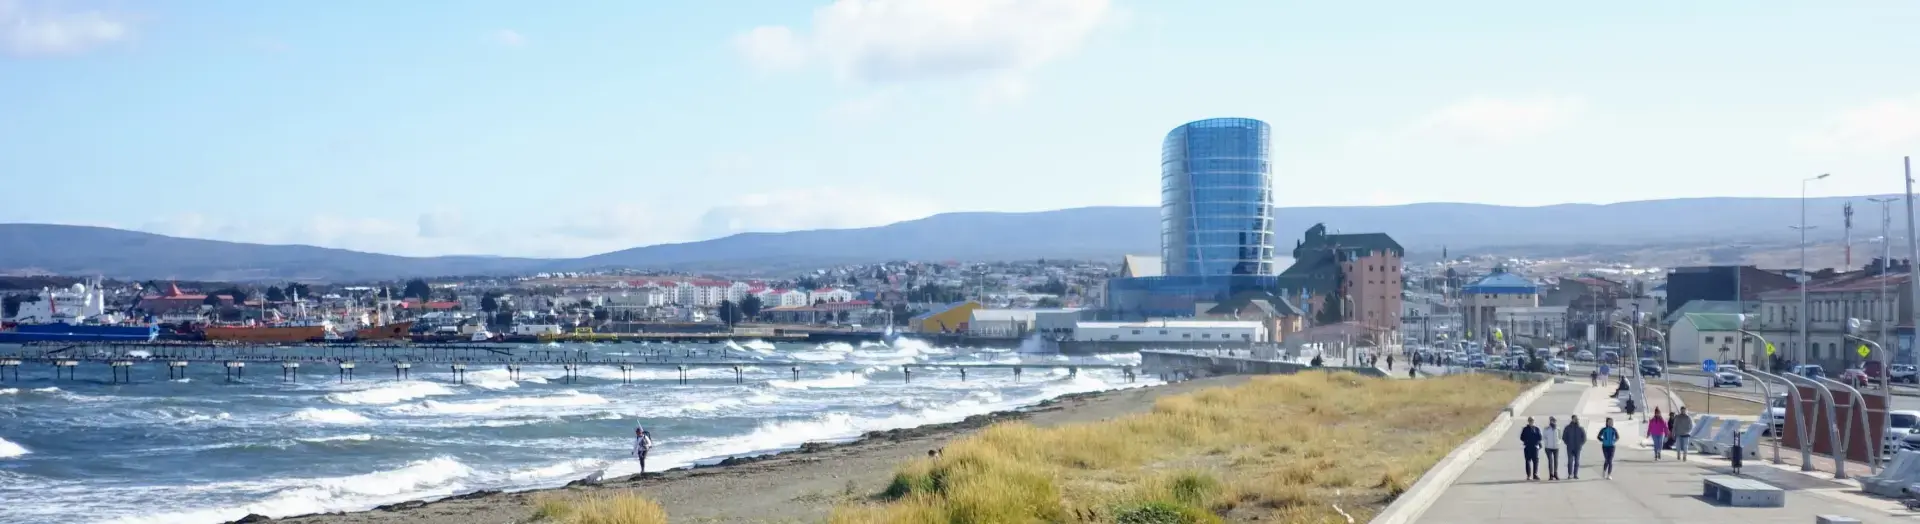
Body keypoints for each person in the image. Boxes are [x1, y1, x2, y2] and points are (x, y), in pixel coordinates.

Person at [1563, 415, 1587, 479]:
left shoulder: (1580, 428)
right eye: (1575, 419)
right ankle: (1570, 474)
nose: (1576, 420)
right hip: (1570, 447)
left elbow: (1584, 438)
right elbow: (1564, 437)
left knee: (1577, 461)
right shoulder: (1568, 428)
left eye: (1577, 419)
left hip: (1577, 448)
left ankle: (1575, 474)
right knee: (1570, 461)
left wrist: (1580, 444)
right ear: (1572, 419)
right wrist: (1568, 443)